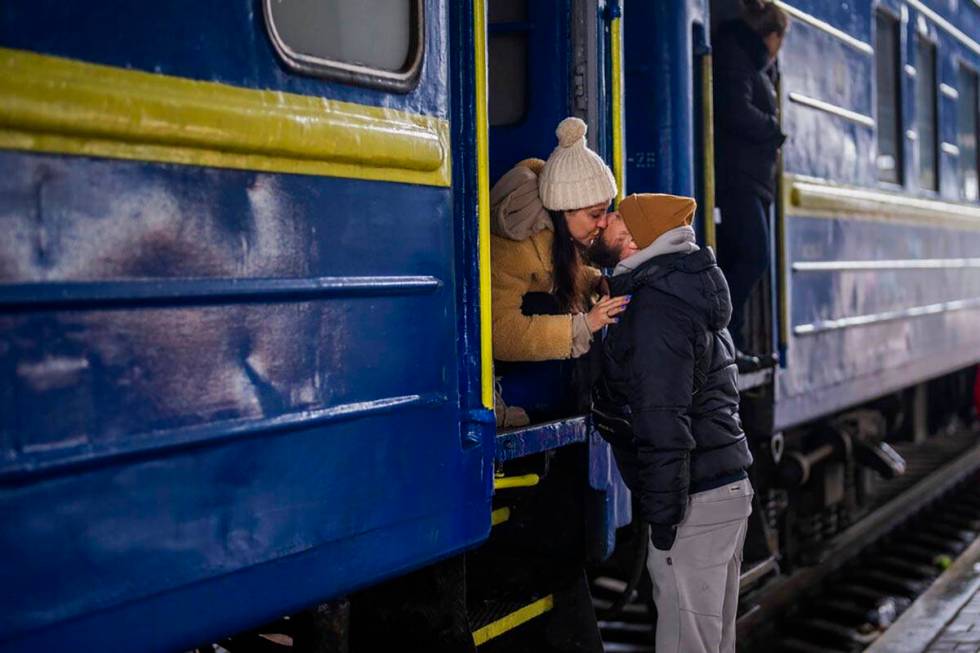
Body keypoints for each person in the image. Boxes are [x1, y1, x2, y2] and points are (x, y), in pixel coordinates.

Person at [590, 194, 753, 653]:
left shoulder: (655, 310)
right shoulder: (682, 289)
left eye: (617, 217)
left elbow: (664, 423)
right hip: (724, 488)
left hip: (693, 501)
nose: (606, 222)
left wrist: (663, 520)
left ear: (636, 239)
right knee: (712, 642)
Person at [490, 117, 629, 420]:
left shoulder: (556, 232)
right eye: (595, 214)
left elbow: (554, 273)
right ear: (565, 211)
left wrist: (594, 283)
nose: (604, 222)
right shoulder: (514, 243)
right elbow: (499, 332)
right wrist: (583, 326)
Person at [712, 0, 789, 371]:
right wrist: (773, 131)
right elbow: (734, 109)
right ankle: (725, 340)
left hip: (748, 180)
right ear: (772, 36)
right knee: (752, 256)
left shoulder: (746, 59)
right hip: (739, 180)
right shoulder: (737, 56)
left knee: (742, 258)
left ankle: (731, 343)